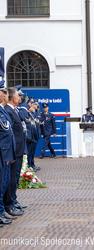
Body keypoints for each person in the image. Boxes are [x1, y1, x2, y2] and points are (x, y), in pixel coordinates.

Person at [4, 87, 26, 216]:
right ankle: (9, 204)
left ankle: (13, 200)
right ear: (12, 97)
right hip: (13, 151)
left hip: (18, 150)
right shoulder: (8, 111)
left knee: (15, 178)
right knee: (11, 179)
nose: (20, 98)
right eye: (18, 96)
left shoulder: (15, 110)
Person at [0, 87, 16, 224]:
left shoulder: (2, 111)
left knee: (4, 183)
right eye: (2, 92)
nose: (5, 94)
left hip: (6, 152)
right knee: (2, 183)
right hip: (2, 152)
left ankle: (1, 211)